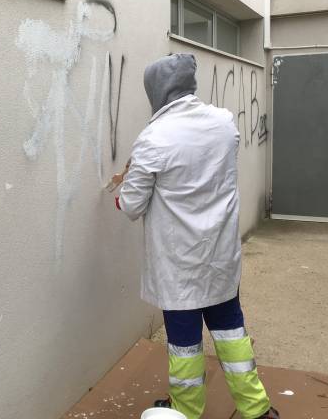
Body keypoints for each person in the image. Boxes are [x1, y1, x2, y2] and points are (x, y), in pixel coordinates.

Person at [113, 54, 279, 419]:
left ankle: (186, 411)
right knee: (231, 331)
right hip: (219, 257)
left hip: (179, 267)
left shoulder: (153, 138)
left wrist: (123, 188)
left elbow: (130, 206)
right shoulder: (223, 124)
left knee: (185, 345)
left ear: (156, 91)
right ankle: (257, 409)